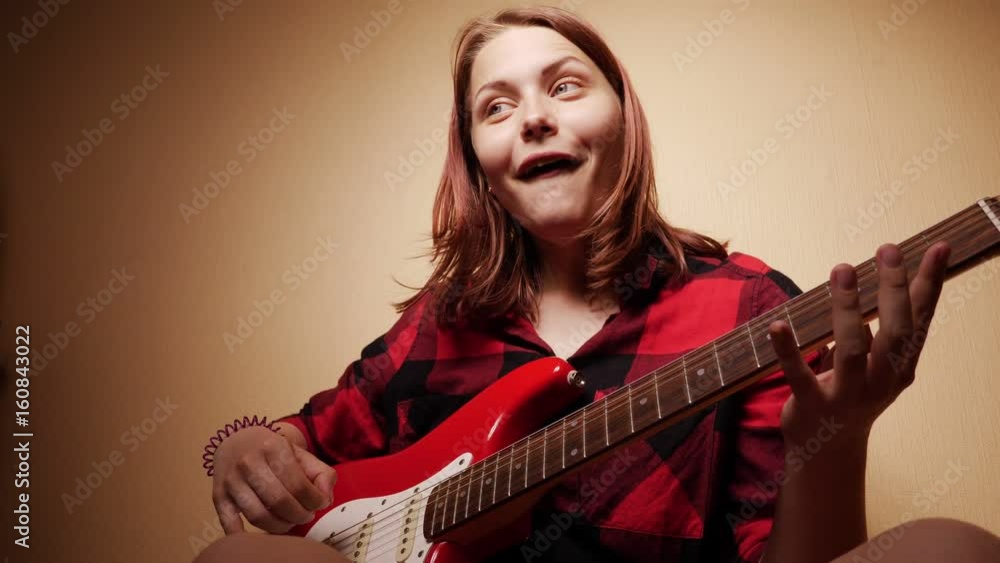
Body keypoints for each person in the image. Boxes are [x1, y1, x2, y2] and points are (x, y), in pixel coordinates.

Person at [193, 7, 1000, 563]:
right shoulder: (441, 323)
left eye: (566, 86)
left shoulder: (749, 304)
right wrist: (240, 445)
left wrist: (837, 434)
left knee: (949, 548)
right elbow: (309, 435)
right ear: (480, 164)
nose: (533, 118)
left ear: (623, 121)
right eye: (495, 107)